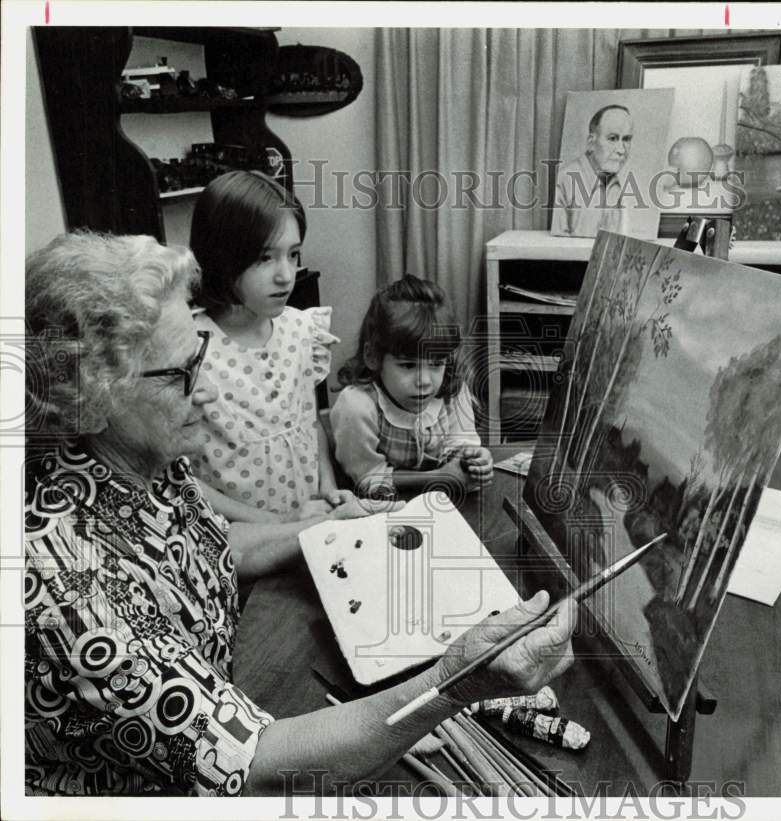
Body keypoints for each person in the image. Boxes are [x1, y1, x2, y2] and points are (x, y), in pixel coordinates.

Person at [23, 231, 577, 796]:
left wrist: (327, 523)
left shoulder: (143, 459)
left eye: (201, 359)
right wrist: (455, 681)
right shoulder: (66, 585)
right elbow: (256, 764)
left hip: (224, 698)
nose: (209, 393)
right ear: (90, 395)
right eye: (181, 375)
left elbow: (213, 545)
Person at [187, 170, 348, 523]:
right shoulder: (189, 348)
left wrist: (328, 488)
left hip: (312, 524)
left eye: (293, 254)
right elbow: (184, 480)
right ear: (220, 257)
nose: (286, 275)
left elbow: (309, 426)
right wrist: (280, 526)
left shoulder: (302, 330)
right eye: (264, 257)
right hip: (243, 545)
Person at [330, 275, 493, 498]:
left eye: (436, 364)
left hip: (440, 501)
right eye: (407, 365)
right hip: (375, 506)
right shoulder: (357, 406)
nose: (425, 381)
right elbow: (369, 478)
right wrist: (439, 477)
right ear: (373, 356)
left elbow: (461, 443)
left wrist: (473, 460)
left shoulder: (451, 386)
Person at [551, 104, 634, 237]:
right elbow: (558, 244)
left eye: (626, 139)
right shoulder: (566, 179)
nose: (621, 150)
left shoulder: (617, 184)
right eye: (612, 138)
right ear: (591, 142)